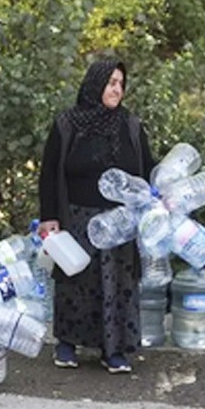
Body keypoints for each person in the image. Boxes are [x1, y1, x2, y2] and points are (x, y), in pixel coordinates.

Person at [38, 59, 154, 374]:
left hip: (120, 223)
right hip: (76, 217)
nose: (116, 89)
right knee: (75, 281)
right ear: (95, 84)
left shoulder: (130, 125)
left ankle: (113, 349)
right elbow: (49, 173)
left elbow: (146, 171)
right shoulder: (67, 125)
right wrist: (49, 217)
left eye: (120, 83)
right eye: (110, 82)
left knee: (117, 283)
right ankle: (66, 344)